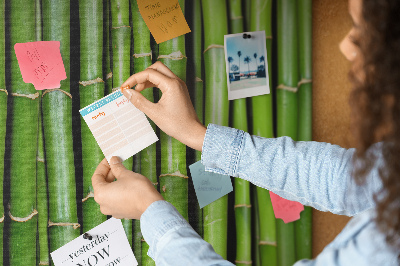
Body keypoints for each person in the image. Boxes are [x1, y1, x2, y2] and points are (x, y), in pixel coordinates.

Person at [91, 0, 400, 264]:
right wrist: (197, 135)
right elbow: (344, 178)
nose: (345, 47)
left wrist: (149, 210)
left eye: (363, 32)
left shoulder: (386, 246)